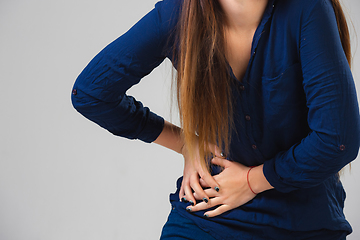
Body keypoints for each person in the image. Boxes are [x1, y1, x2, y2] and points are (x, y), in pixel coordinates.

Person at [71, 0, 360, 239]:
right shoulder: (178, 13)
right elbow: (91, 93)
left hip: (304, 218)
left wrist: (251, 181)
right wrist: (187, 144)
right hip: (211, 212)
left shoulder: (306, 9)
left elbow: (338, 142)